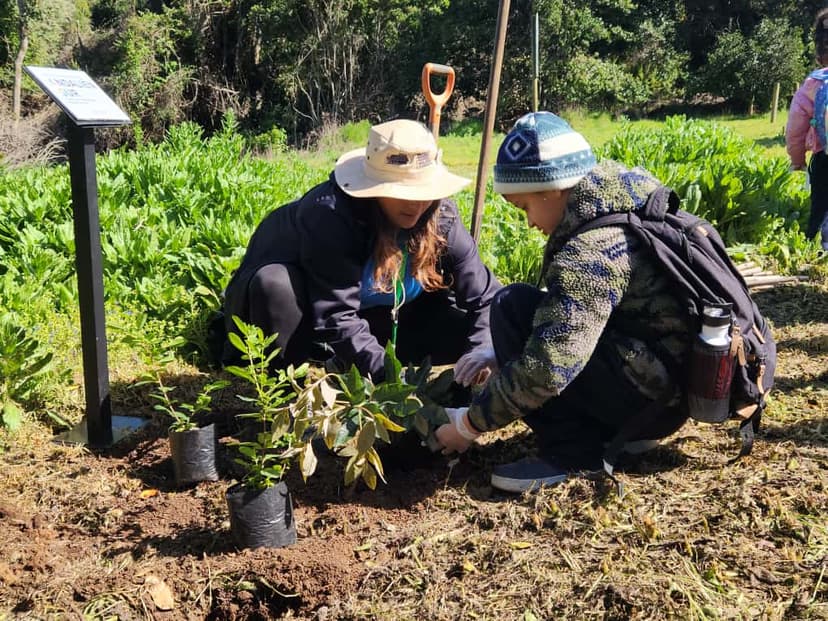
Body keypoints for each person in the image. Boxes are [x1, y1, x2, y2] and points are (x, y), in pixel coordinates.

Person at [435, 111, 694, 493]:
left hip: (650, 400)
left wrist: (469, 424)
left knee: (511, 306)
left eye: (524, 207)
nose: (528, 222)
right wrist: (496, 356)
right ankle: (622, 434)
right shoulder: (624, 206)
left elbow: (549, 367)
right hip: (668, 392)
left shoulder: (592, 252)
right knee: (526, 309)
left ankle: (573, 454)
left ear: (552, 188)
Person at [220, 119, 501, 383]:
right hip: (297, 317)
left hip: (377, 316)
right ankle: (285, 395)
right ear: (374, 188)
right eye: (402, 193)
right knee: (275, 285)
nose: (417, 204)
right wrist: (389, 378)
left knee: (476, 328)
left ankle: (352, 362)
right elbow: (335, 314)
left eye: (423, 192)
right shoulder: (330, 215)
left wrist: (480, 351)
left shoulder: (441, 216)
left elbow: (486, 297)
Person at [786, 7, 828, 251]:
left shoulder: (814, 83)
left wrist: (797, 159)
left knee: (822, 206)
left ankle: (818, 250)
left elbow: (795, 129)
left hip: (824, 158)